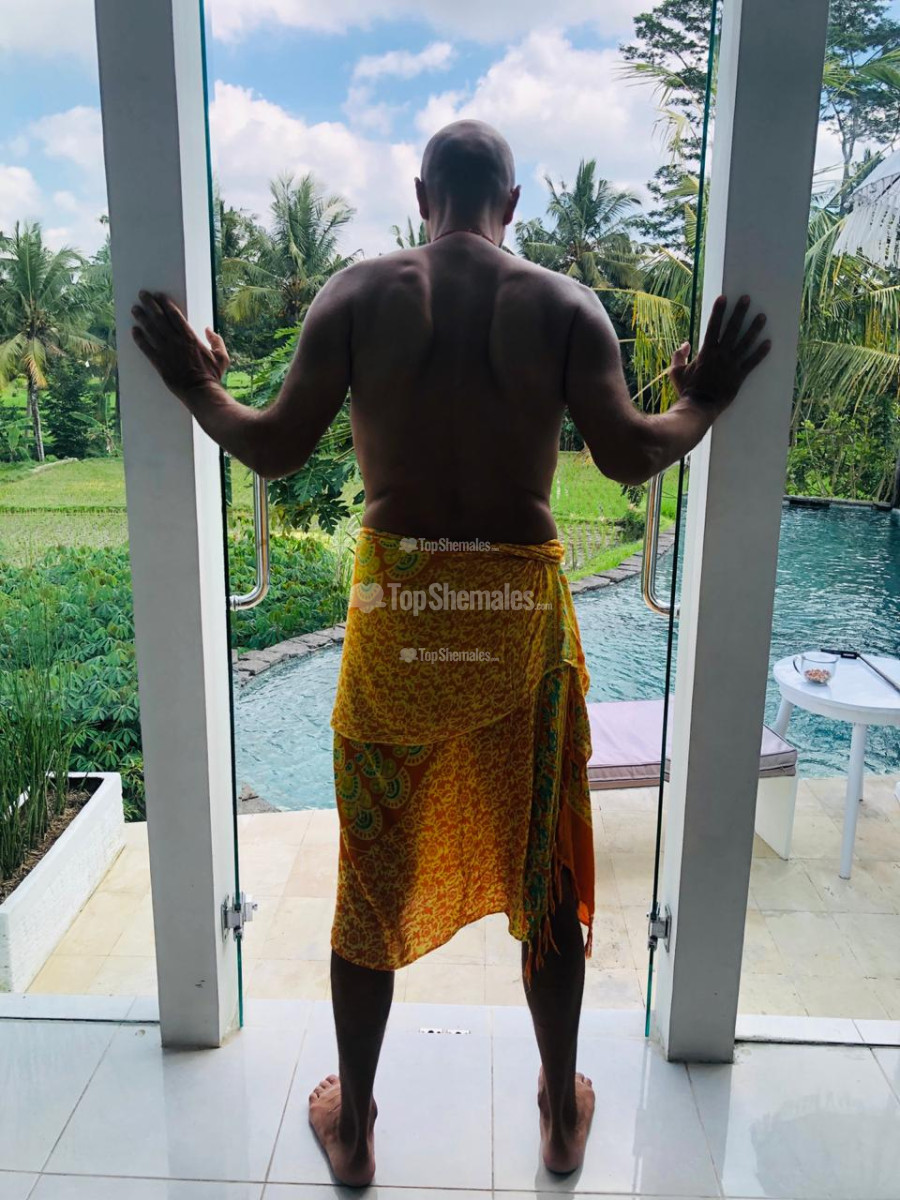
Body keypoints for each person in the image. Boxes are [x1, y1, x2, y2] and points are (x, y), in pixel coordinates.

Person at [131, 119, 770, 1189]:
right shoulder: (565, 305)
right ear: (512, 205)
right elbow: (628, 455)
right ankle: (559, 1114)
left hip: (401, 614)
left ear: (422, 195)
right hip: (516, 614)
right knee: (544, 871)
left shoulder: (357, 293)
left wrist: (198, 385)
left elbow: (274, 447)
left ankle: (356, 1130)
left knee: (371, 874)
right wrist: (702, 399)